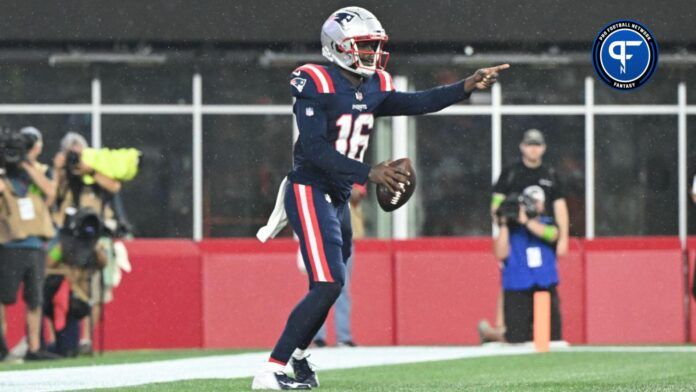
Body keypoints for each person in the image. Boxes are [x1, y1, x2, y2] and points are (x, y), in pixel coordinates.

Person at [253, 6, 509, 390]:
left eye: (374, 46)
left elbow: (421, 101)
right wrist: (368, 172)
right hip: (309, 189)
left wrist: (467, 85)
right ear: (338, 47)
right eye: (364, 45)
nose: (372, 53)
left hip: (337, 196)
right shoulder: (316, 82)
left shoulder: (372, 86)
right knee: (327, 284)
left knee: (328, 284)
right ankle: (271, 369)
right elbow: (313, 148)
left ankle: (301, 353)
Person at [481, 129, 568, 342]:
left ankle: (502, 332)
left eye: (537, 145)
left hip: (541, 232)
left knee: (544, 284)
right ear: (522, 147)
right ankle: (500, 330)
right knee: (511, 278)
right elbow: (497, 202)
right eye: (529, 144)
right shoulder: (511, 173)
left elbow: (559, 207)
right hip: (515, 233)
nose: (533, 149)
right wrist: (501, 219)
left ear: (544, 148)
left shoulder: (550, 174)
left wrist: (564, 237)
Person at [0, 127, 58, 361]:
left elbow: (51, 193)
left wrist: (24, 163)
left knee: (35, 298)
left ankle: (34, 348)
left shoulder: (39, 171)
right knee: (3, 297)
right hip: (9, 243)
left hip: (36, 243)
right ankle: (2, 346)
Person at [479, 185, 562, 343]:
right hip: (518, 286)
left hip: (544, 285)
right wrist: (503, 223)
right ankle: (490, 335)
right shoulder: (512, 228)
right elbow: (500, 253)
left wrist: (527, 221)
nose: (534, 205)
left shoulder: (548, 222)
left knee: (551, 338)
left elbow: (552, 235)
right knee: (516, 338)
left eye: (537, 202)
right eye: (530, 202)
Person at [312, 183, 366, 348]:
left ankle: (343, 336)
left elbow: (357, 194)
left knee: (341, 288)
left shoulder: (350, 173)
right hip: (325, 237)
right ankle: (318, 336)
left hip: (344, 239)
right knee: (322, 287)